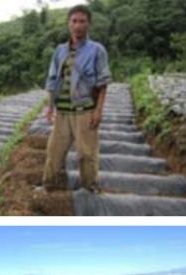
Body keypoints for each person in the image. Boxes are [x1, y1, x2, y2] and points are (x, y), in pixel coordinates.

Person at [43, 4, 112, 193]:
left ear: (88, 24)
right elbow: (52, 79)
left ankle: (89, 189)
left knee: (86, 154)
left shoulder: (97, 50)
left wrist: (99, 110)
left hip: (85, 110)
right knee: (54, 153)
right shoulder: (60, 51)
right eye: (74, 21)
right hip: (62, 112)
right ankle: (52, 188)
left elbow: (103, 82)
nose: (78, 25)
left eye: (82, 21)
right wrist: (50, 107)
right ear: (68, 24)